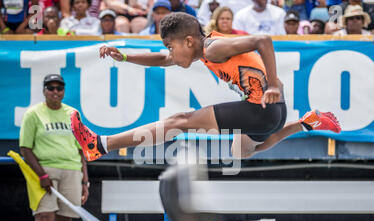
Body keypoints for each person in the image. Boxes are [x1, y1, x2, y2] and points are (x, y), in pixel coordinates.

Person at [70, 12, 341, 163]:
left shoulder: (214, 47)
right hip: (272, 116)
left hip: (262, 108)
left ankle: (101, 145)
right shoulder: (201, 49)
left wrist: (272, 84)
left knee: (181, 121)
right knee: (241, 152)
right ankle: (305, 123)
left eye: (170, 46)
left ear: (188, 41)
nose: (169, 53)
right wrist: (126, 56)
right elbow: (163, 60)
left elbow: (264, 40)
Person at [20, 74, 89, 221]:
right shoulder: (33, 114)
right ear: (44, 90)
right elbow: (25, 147)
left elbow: (81, 149)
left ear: (64, 91)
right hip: (45, 170)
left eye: (60, 88)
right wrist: (41, 174)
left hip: (72, 170)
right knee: (44, 218)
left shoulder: (72, 114)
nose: (56, 92)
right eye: (51, 88)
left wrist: (85, 180)